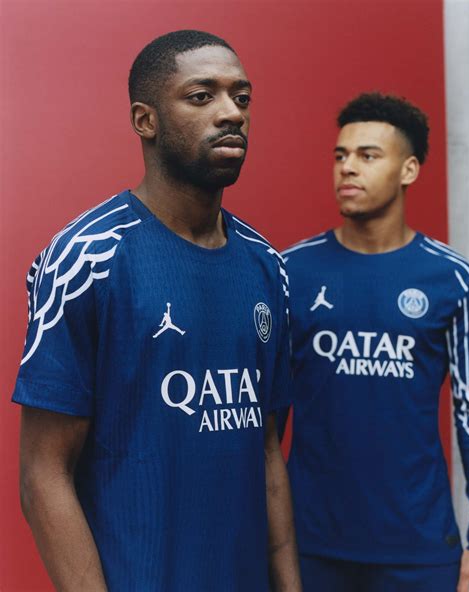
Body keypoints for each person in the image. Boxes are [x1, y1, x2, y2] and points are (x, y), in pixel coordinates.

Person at [13, 30, 301, 592]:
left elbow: (268, 455)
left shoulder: (268, 266)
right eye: (202, 96)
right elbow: (43, 475)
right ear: (145, 120)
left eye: (241, 97)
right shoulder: (86, 259)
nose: (232, 113)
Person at [281, 92, 469, 591]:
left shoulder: (452, 279)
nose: (347, 168)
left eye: (368, 156)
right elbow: (260, 419)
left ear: (408, 170)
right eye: (340, 155)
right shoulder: (290, 272)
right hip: (310, 546)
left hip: (418, 549)